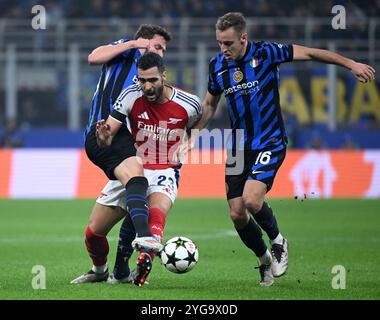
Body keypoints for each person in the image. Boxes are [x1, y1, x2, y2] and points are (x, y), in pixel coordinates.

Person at [187, 12, 375, 287]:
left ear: (243, 37)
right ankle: (264, 261)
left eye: (228, 43)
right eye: (219, 43)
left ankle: (277, 241)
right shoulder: (217, 66)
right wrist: (193, 135)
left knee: (252, 200)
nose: (223, 49)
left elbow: (310, 54)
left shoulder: (267, 53)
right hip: (238, 147)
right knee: (237, 214)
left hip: (270, 140)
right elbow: (210, 105)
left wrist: (350, 64)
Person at [71, 25, 172, 285]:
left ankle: (102, 270)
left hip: (130, 148)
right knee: (138, 179)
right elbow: (93, 57)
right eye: (158, 46)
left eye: (163, 49)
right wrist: (131, 44)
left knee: (94, 232)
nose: (161, 53)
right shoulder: (125, 51)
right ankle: (146, 238)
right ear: (143, 42)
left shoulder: (151, 78)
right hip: (105, 134)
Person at [93, 52, 201, 286]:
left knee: (156, 212)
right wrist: (102, 138)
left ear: (164, 76)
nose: (147, 86)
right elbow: (108, 134)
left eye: (152, 80)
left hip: (165, 168)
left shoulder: (189, 103)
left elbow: (199, 120)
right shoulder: (130, 95)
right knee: (94, 232)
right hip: (133, 167)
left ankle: (145, 258)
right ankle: (114, 271)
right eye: (142, 80)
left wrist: (191, 139)